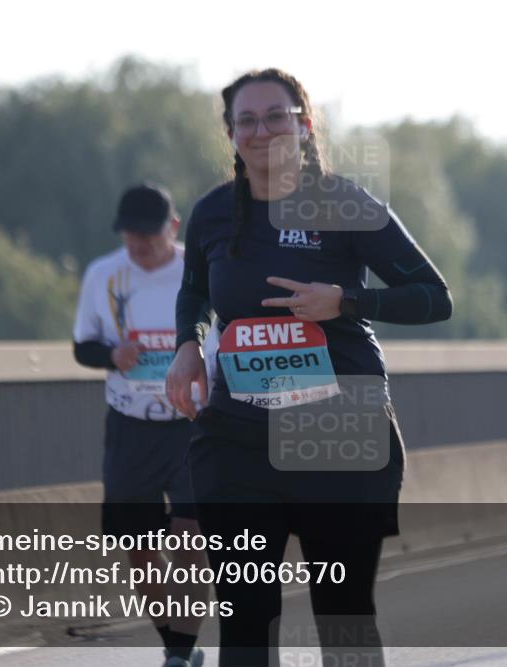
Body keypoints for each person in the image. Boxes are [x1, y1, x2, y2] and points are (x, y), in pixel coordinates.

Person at [166, 69, 453, 666]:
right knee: (244, 620)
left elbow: (433, 296)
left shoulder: (346, 203)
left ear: (304, 123)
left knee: (343, 615)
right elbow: (195, 291)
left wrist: (345, 301)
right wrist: (189, 344)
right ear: (230, 132)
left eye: (277, 116)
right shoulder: (213, 214)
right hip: (238, 438)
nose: (262, 130)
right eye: (247, 120)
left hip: (339, 431)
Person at [72, 183, 216, 667]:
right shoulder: (103, 275)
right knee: (138, 548)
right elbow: (82, 346)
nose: (140, 248)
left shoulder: (198, 273)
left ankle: (180, 652)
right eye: (132, 239)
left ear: (172, 229)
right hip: (130, 424)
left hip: (192, 422)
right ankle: (175, 642)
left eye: (149, 239)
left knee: (190, 534)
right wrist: (113, 353)